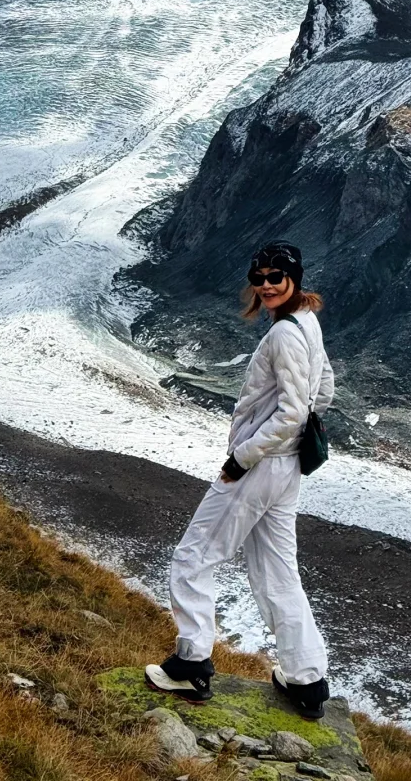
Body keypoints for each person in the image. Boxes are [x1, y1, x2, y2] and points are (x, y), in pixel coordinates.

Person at [145, 241, 334, 718]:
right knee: (277, 573)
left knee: (193, 555)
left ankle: (191, 663)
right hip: (286, 470)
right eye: (259, 277)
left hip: (259, 467)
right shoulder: (306, 324)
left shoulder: (284, 336)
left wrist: (242, 458)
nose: (266, 284)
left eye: (276, 276)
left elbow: (291, 412)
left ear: (294, 277)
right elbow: (323, 389)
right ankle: (307, 681)